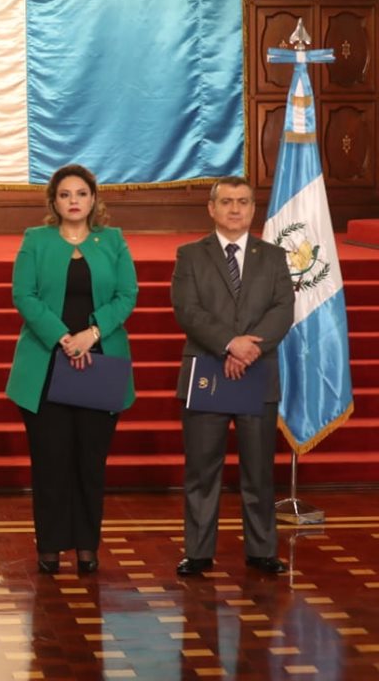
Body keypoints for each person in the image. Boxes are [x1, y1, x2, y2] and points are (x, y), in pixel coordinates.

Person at [5, 165, 137, 575]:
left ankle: (86, 546)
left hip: (99, 362)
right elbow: (23, 294)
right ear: (54, 202)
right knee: (50, 462)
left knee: (89, 462)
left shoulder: (112, 240)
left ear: (94, 199)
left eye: (81, 193)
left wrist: (92, 334)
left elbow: (127, 293)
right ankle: (50, 546)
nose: (74, 200)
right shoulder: (36, 240)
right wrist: (65, 338)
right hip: (46, 365)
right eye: (65, 195)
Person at [171, 176, 294, 576]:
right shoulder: (190, 255)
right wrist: (229, 344)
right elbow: (188, 311)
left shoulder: (274, 256)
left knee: (258, 470)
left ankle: (261, 550)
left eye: (243, 202)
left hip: (257, 371)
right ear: (212, 208)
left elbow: (282, 310)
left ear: (253, 209)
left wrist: (248, 348)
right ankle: (199, 551)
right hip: (208, 370)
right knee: (202, 469)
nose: (235, 209)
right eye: (226, 202)